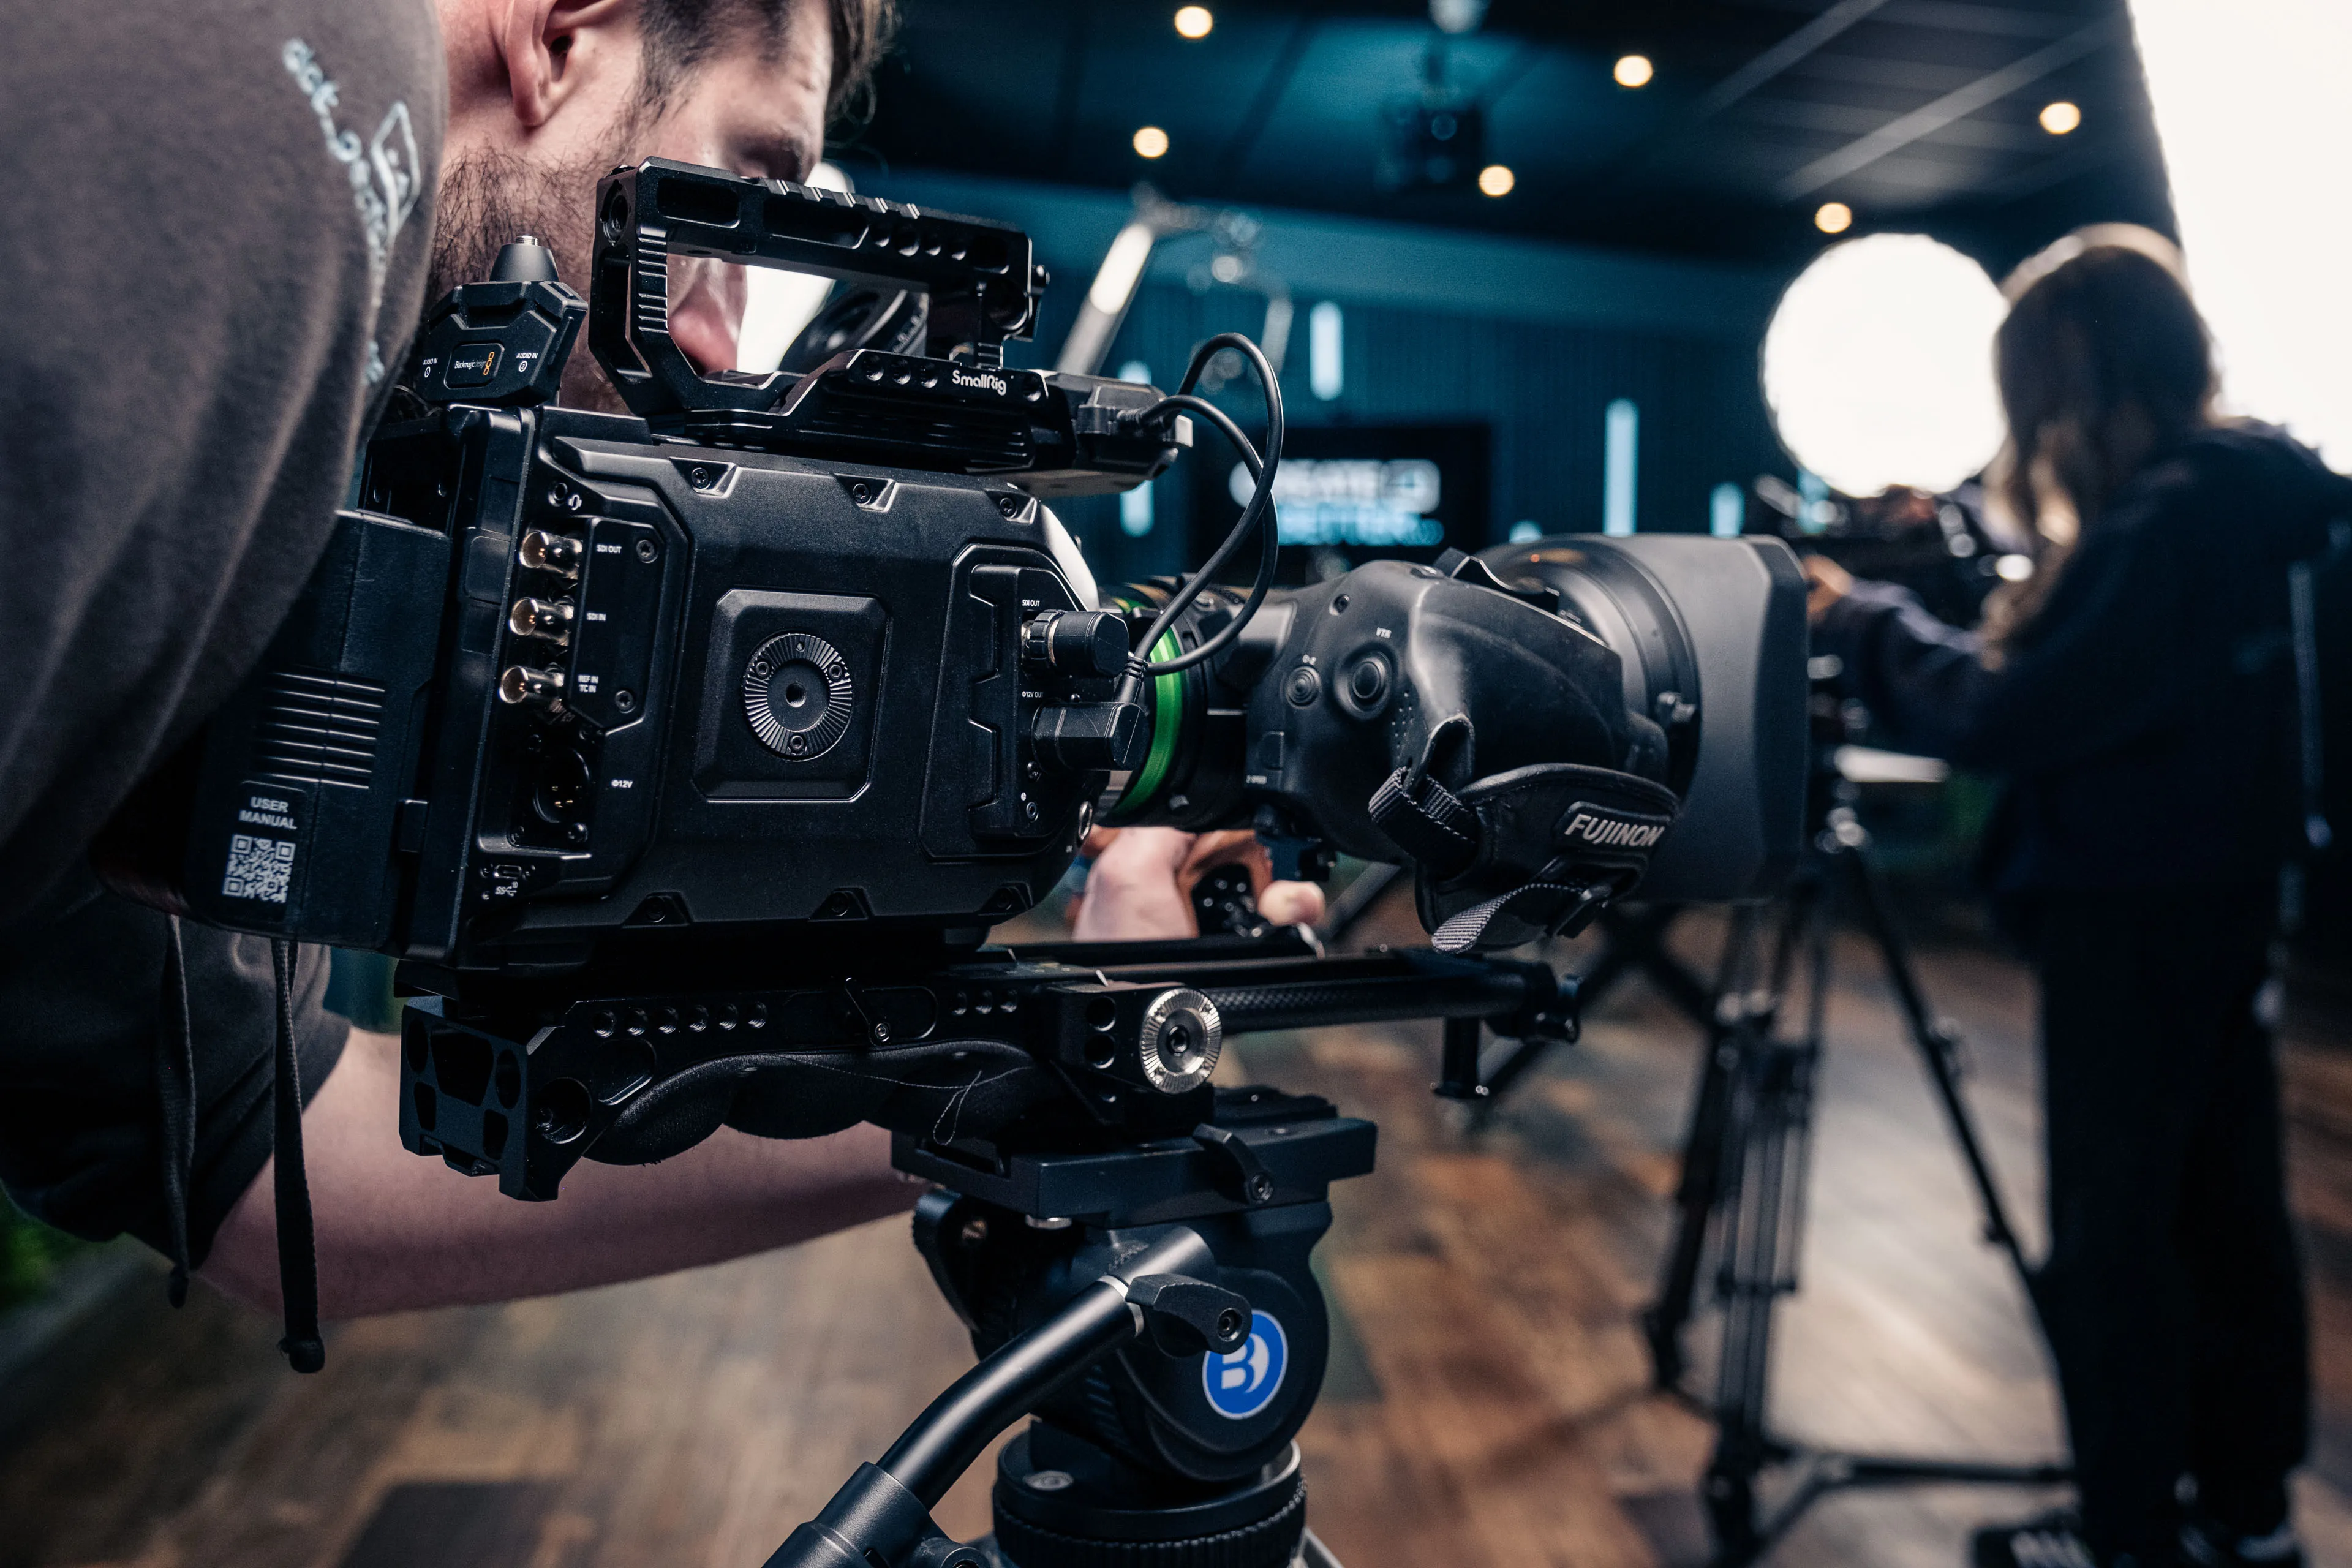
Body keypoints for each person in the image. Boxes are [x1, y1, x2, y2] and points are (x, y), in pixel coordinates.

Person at [1806, 225, 2339, 1568]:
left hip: (2132, 914)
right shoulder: (2246, 493)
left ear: (2074, 375)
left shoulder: (2169, 517)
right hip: (2228, 895)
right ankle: (2245, 1513)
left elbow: (2012, 709)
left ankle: (2125, 1534)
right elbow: (2116, 661)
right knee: (2225, 1211)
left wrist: (1858, 618)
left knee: (2118, 1239)